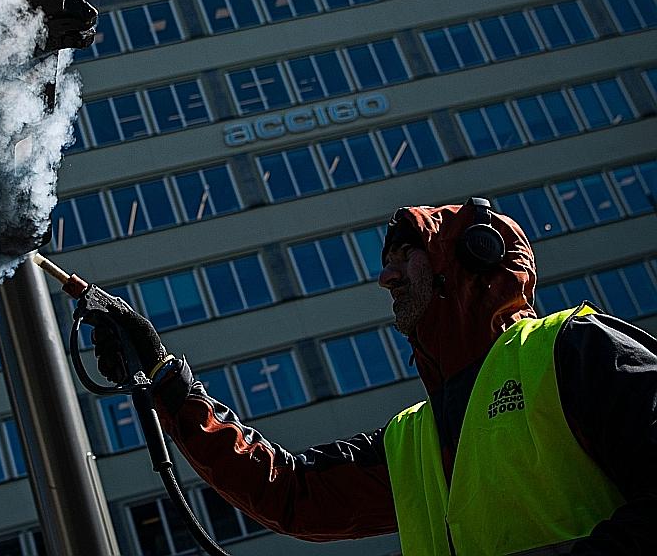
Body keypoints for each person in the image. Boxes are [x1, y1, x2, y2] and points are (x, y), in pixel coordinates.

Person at [90, 198, 657, 555]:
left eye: (405, 255)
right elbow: (293, 494)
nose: (385, 278)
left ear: (470, 260)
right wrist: (167, 384)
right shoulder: (413, 439)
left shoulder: (572, 350)